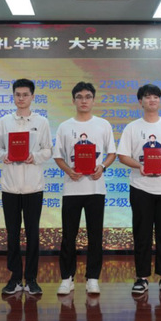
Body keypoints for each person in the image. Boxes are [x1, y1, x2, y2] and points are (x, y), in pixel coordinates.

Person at [117, 84, 161, 295]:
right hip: (141, 187)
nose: (152, 100)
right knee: (142, 235)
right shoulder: (132, 127)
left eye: (156, 97)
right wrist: (139, 166)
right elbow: (123, 155)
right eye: (148, 97)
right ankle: (142, 277)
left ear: (160, 100)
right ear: (140, 101)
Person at [53, 82, 116, 295]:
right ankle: (67, 278)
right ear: (73, 100)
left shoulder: (103, 125)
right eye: (79, 97)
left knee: (95, 235)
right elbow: (58, 156)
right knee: (68, 236)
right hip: (72, 189)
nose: (83, 101)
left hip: (96, 189)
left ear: (93, 100)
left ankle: (93, 278)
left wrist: (102, 167)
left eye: (88, 97)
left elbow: (112, 153)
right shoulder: (64, 126)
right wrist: (69, 171)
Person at [0, 79, 53, 295]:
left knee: (32, 234)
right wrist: (4, 155)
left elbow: (48, 150)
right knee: (12, 234)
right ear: (13, 96)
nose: (21, 98)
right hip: (10, 187)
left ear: (32, 97)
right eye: (17, 94)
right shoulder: (4, 122)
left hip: (33, 187)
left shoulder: (42, 122)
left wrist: (34, 157)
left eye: (25, 94)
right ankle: (15, 278)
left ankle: (32, 278)